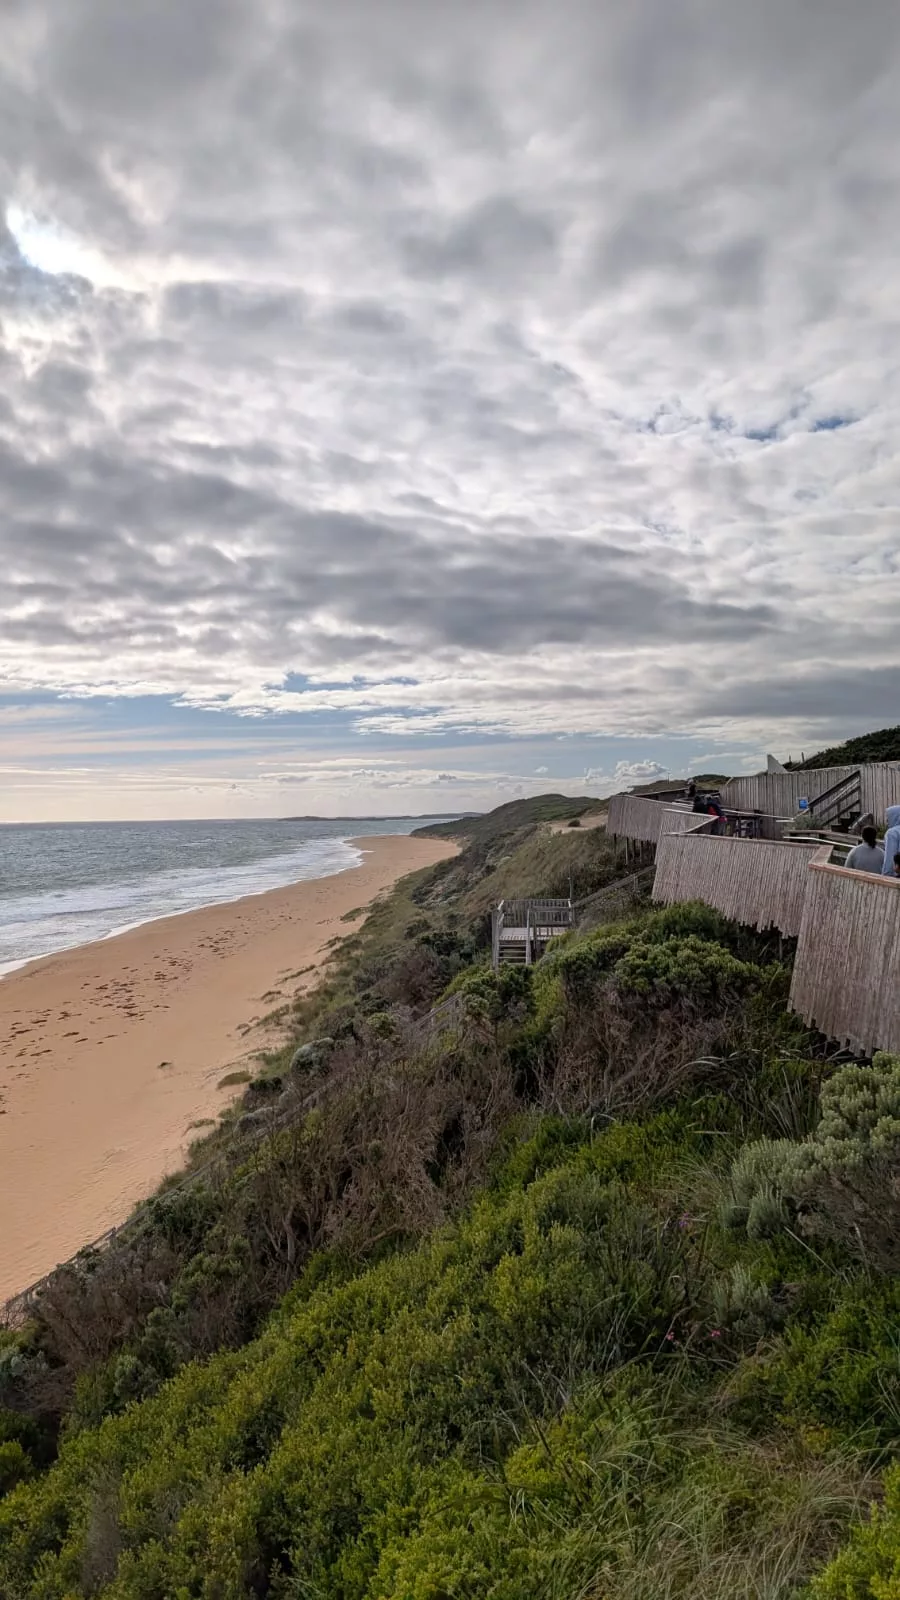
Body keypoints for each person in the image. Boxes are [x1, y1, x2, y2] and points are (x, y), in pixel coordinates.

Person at [882, 806, 900, 876]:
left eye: (888, 816)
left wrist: (885, 875)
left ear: (895, 817)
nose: (886, 820)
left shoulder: (892, 833)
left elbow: (890, 858)